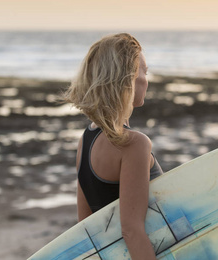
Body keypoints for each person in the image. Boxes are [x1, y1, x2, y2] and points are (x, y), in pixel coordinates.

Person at [61, 33, 163, 259]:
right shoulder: (134, 144)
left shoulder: (85, 141)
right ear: (127, 78)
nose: (147, 79)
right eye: (144, 71)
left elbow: (86, 226)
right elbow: (132, 230)